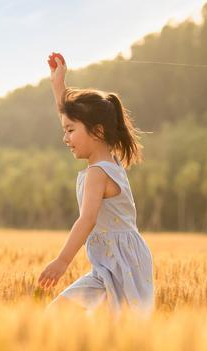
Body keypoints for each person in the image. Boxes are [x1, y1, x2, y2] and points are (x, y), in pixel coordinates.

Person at [38, 52, 154, 319]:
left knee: (62, 315)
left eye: (70, 131)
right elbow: (72, 118)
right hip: (113, 265)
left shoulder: (97, 174)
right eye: (64, 129)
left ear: (98, 132)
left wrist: (62, 261)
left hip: (120, 267)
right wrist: (58, 85)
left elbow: (87, 219)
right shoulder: (107, 162)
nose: (64, 137)